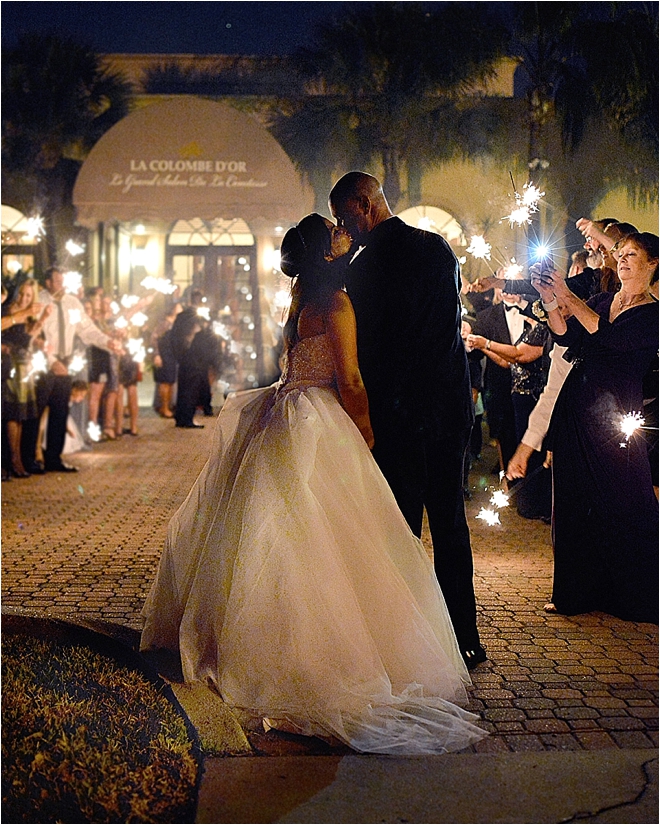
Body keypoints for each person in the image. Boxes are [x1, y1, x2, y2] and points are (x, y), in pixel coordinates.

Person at [141, 213, 486, 755]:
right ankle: (322, 655)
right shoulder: (338, 304)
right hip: (321, 416)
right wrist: (366, 429)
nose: (346, 236)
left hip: (285, 409)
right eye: (337, 234)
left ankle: (255, 646)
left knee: (277, 537)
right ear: (328, 253)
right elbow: (348, 376)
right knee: (334, 538)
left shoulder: (301, 302)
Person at [329, 171, 485, 669]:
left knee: (400, 530)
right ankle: (465, 637)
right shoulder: (437, 248)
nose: (342, 225)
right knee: (450, 525)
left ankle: (411, 642)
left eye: (343, 215)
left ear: (363, 203)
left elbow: (372, 350)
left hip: (399, 416)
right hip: (446, 409)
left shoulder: (366, 264)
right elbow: (444, 330)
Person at [531, 232, 659, 623]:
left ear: (653, 264)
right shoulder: (604, 301)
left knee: (626, 501)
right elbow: (568, 335)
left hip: (618, 419)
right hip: (577, 409)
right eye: (619, 254)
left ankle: (635, 595)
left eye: (631, 254)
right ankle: (575, 593)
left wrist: (569, 297)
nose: (621, 260)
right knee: (572, 500)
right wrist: (551, 298)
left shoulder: (652, 313)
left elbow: (610, 340)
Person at [21, 267, 117, 474]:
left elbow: (87, 330)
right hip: (43, 364)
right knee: (35, 413)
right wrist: (51, 361)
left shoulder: (72, 303)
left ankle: (54, 458)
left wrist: (109, 342)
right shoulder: (40, 302)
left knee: (59, 412)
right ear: (48, 283)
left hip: (65, 362)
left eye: (64, 281)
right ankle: (28, 459)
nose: (62, 285)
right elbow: (34, 337)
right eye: (57, 281)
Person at [467, 313, 552, 521]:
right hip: (519, 397)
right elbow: (508, 363)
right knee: (514, 443)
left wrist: (485, 343)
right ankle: (527, 500)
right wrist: (482, 347)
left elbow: (518, 355)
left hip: (535, 397)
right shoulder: (531, 331)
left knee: (538, 454)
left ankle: (538, 503)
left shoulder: (543, 331)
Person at [1, 279, 51, 478]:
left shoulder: (27, 315)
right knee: (12, 414)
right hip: (7, 366)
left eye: (29, 295)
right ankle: (12, 459)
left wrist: (42, 319)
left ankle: (18, 458)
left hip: (23, 366)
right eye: (22, 294)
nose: (24, 298)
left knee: (21, 414)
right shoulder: (7, 310)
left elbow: (28, 337)